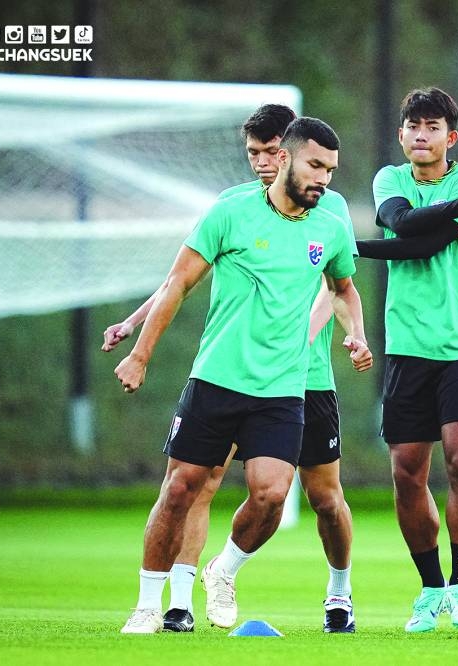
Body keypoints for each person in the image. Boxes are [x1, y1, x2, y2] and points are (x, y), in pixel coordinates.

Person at [106, 105, 370, 635]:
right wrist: (140, 352)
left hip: (283, 388)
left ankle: (222, 570)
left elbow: (343, 287)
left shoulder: (331, 228)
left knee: (273, 493)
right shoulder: (230, 211)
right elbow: (178, 282)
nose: (323, 179)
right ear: (286, 158)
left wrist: (355, 332)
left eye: (331, 171)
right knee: (181, 488)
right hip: (217, 379)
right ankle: (149, 604)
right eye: (316, 167)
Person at [362, 88, 458, 633]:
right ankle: (431, 589)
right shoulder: (390, 180)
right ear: (402, 134)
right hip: (407, 347)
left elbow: (419, 247)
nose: (421, 135)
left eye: (432, 127)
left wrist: (349, 246)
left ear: (450, 137)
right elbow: (402, 225)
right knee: (407, 473)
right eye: (413, 126)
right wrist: (347, 245)